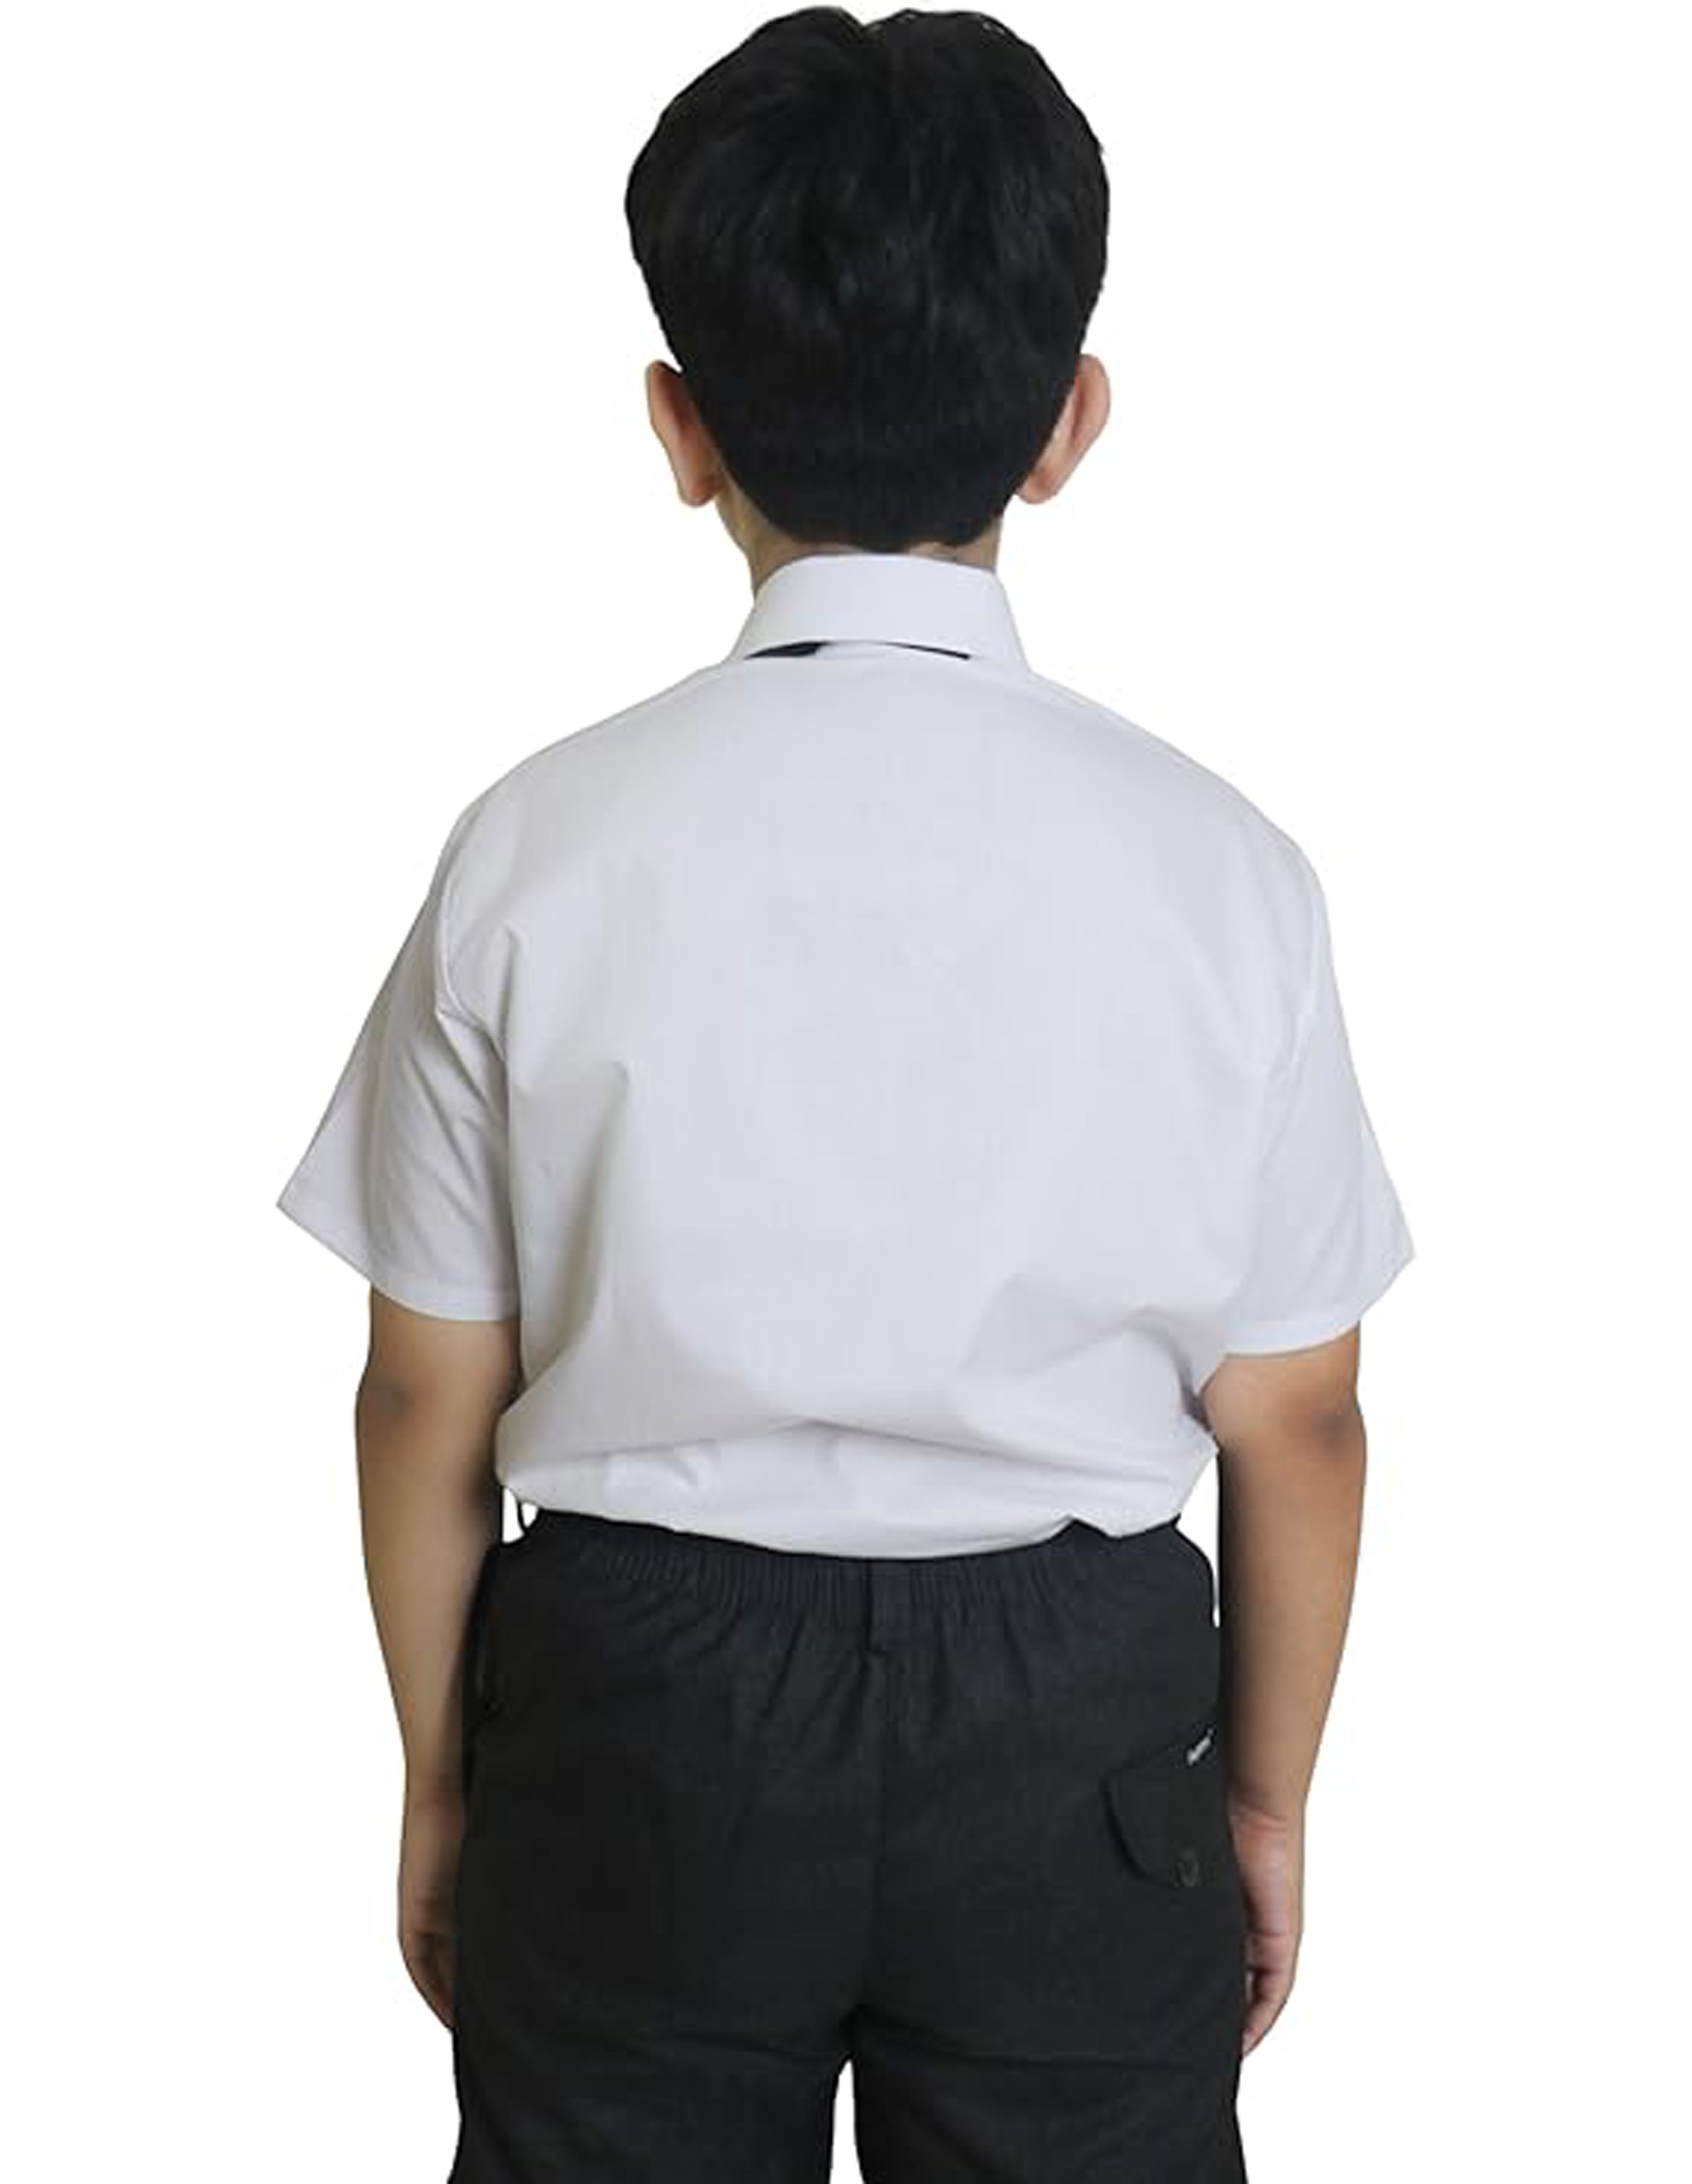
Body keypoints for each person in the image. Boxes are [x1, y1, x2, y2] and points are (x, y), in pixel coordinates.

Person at [275, 9, 1415, 2180]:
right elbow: (1303, 1420)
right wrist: (1263, 1802)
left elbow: (424, 1391)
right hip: (1075, 1718)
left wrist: (440, 1775)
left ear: (679, 427)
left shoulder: (538, 843)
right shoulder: (1223, 869)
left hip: (639, 1700)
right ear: (1069, 426)